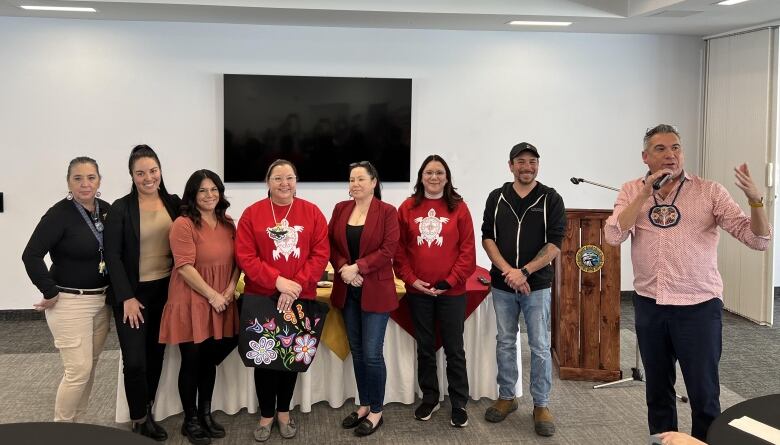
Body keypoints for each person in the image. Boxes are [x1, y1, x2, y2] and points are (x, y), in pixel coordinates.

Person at [604, 124, 771, 441]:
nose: (670, 155)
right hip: (650, 305)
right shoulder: (630, 190)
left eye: (676, 147)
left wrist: (756, 201)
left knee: (703, 393)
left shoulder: (709, 191)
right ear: (645, 156)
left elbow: (757, 239)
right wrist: (643, 193)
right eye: (661, 149)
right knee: (657, 392)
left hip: (698, 308)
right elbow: (614, 235)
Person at [234, 159, 329, 442]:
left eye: (289, 178)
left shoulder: (311, 212)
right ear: (268, 182)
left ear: (296, 181)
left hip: (300, 297)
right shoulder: (253, 214)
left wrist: (295, 285)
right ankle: (266, 415)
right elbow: (246, 256)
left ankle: (284, 412)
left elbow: (320, 253)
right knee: (265, 359)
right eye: (278, 178)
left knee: (290, 358)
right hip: (262, 298)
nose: (284, 183)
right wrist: (277, 281)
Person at [480, 142, 565, 437]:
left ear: (538, 165)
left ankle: (541, 404)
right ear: (510, 165)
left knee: (540, 346)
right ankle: (507, 397)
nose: (527, 167)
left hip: (537, 286)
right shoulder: (497, 196)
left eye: (532, 162)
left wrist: (525, 271)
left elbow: (555, 244)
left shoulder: (550, 198)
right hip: (503, 284)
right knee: (505, 341)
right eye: (521, 161)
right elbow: (488, 238)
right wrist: (509, 272)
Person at [22, 157, 111, 422]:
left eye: (91, 177)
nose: (85, 184)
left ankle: (77, 427)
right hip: (70, 303)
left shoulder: (105, 210)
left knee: (89, 368)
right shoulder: (58, 214)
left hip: (102, 301)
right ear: (68, 182)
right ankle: (61, 430)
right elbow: (31, 255)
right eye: (78, 178)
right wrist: (49, 291)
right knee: (78, 371)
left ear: (99, 180)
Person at [105, 144, 181, 440]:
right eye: (141, 173)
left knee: (155, 354)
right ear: (132, 175)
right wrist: (126, 297)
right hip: (132, 296)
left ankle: (147, 409)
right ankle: (138, 419)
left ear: (160, 170)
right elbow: (112, 256)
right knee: (134, 360)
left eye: (153, 171)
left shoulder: (173, 203)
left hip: (165, 291)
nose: (148, 178)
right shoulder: (121, 208)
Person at [393, 155, 476, 427]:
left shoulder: (459, 208)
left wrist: (449, 281)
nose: (434, 177)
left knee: (455, 349)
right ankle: (430, 397)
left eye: (439, 172)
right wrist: (411, 280)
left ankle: (459, 402)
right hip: (418, 292)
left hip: (451, 293)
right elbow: (399, 250)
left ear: (447, 177)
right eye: (429, 172)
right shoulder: (406, 208)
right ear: (421, 177)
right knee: (425, 348)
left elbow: (467, 252)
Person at [159, 170, 240, 445]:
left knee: (209, 359)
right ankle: (190, 419)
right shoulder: (183, 224)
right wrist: (213, 296)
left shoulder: (228, 223)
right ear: (192, 195)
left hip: (221, 298)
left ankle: (206, 414)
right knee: (192, 360)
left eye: (214, 189)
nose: (209, 195)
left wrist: (228, 291)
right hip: (192, 298)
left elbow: (238, 261)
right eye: (203, 191)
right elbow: (184, 267)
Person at [329, 161, 399, 437]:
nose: (355, 184)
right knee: (357, 353)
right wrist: (345, 269)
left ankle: (377, 410)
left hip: (376, 291)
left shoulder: (387, 212)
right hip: (348, 289)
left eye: (361, 179)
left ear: (374, 182)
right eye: (351, 179)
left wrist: (358, 267)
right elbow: (330, 244)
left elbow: (388, 249)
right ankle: (364, 404)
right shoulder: (340, 209)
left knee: (371, 354)